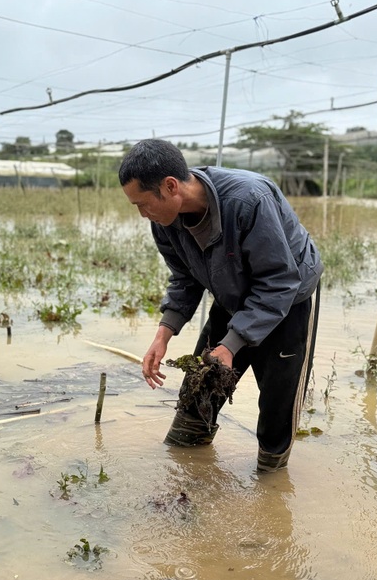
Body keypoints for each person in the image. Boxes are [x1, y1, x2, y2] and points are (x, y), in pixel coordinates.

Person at [118, 138, 323, 473]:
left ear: (170, 186)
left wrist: (231, 344)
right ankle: (189, 475)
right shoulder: (165, 222)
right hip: (231, 295)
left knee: (277, 411)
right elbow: (184, 279)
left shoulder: (248, 199)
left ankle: (270, 492)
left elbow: (278, 282)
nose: (143, 214)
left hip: (289, 301)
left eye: (143, 204)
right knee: (197, 397)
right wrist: (163, 335)